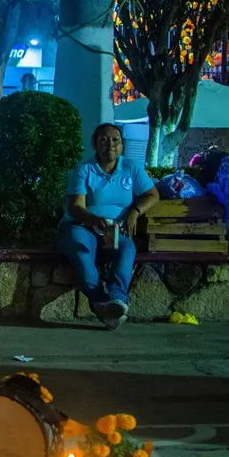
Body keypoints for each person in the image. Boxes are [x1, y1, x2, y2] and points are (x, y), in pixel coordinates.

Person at [57, 123, 160, 331]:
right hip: (81, 227)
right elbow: (76, 207)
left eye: (115, 140)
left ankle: (117, 301)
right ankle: (100, 303)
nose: (110, 144)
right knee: (82, 251)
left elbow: (153, 195)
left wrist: (134, 212)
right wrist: (94, 220)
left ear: (121, 146)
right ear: (94, 144)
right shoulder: (83, 170)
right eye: (103, 139)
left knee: (127, 249)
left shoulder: (131, 168)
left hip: (114, 230)